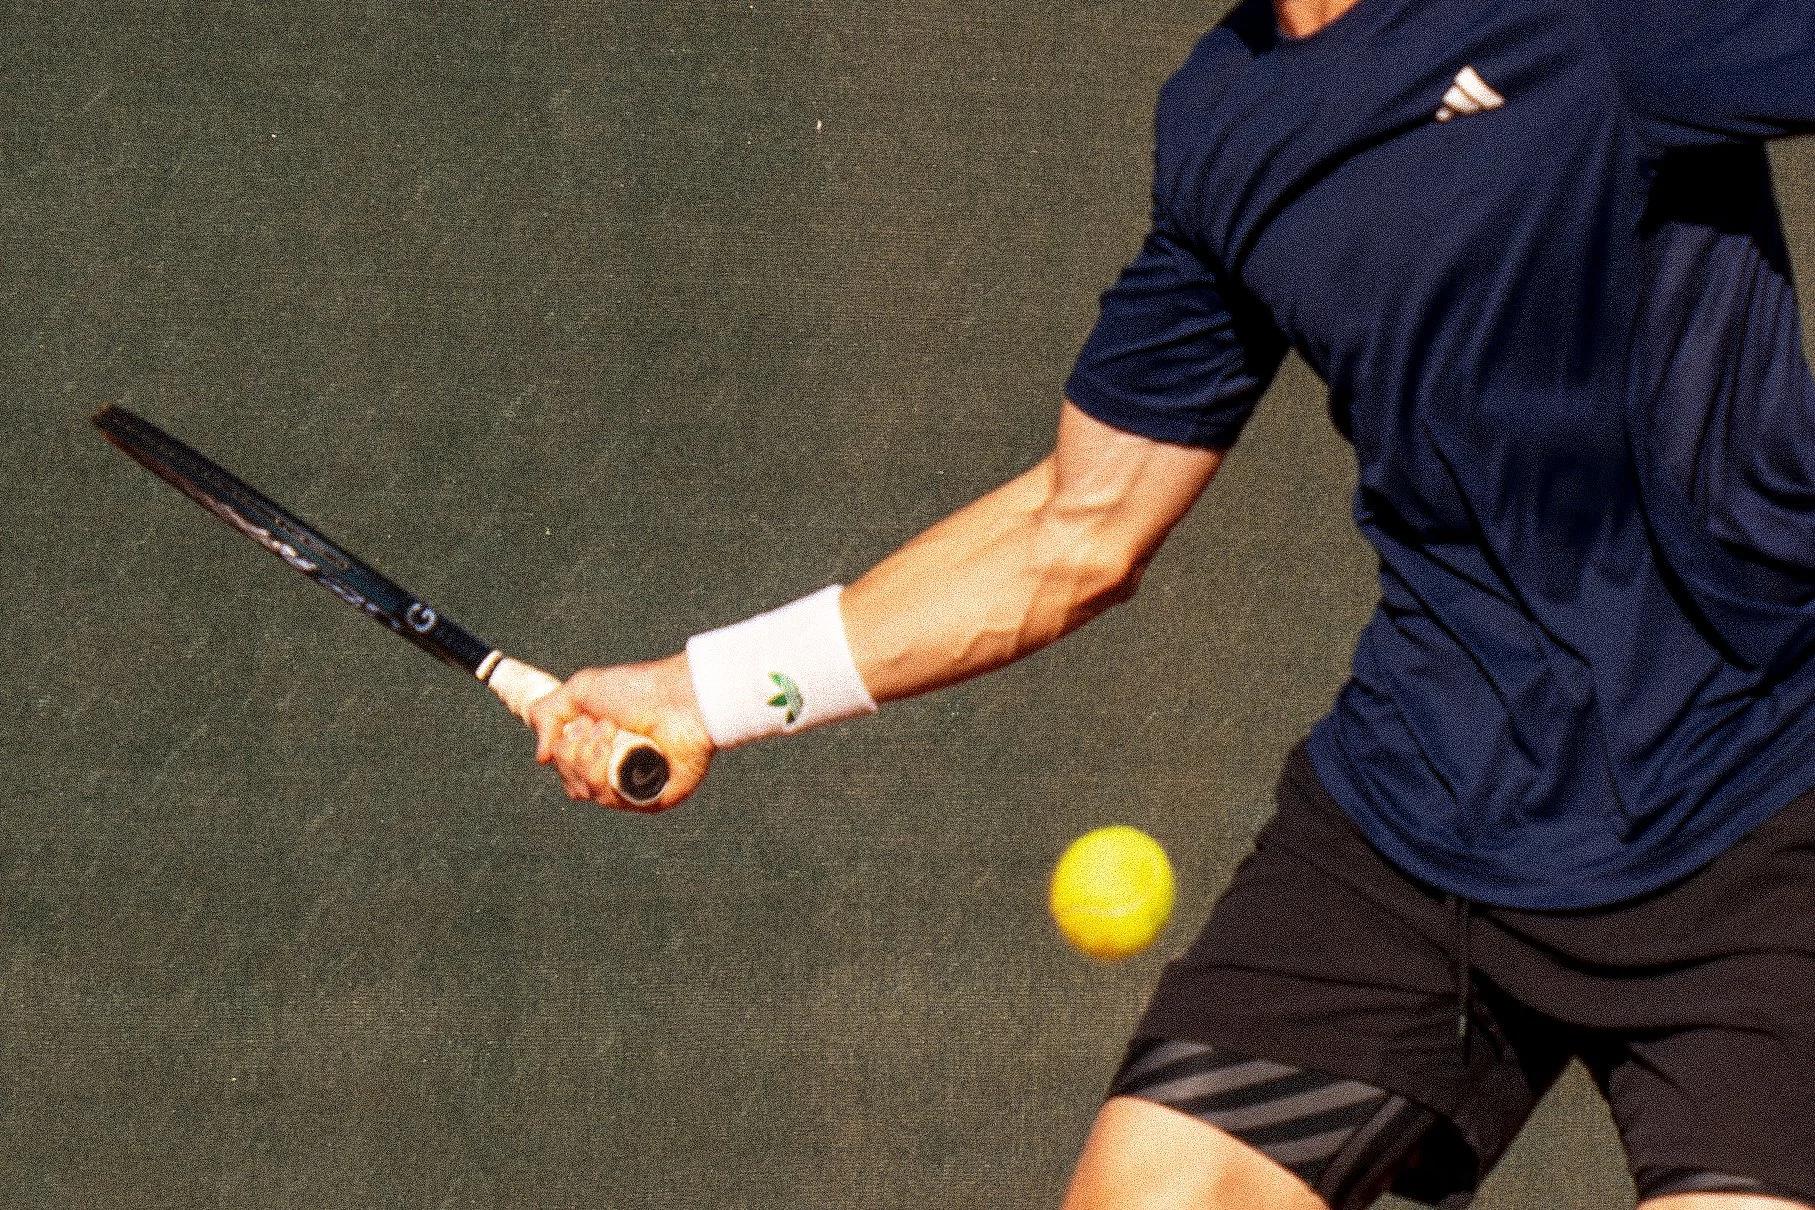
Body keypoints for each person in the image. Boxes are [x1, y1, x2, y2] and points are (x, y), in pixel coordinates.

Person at [527, 0, 1815, 1205]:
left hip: (1765, 806)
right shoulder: (1227, 114)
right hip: (1426, 811)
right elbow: (1076, 527)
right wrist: (706, 690)